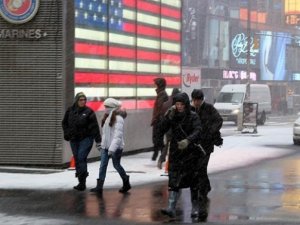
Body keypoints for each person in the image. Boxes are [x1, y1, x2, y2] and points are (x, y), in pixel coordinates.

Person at [159, 92, 202, 218]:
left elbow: (198, 130)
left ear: (186, 104)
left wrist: (188, 140)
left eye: (181, 104)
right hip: (176, 152)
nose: (179, 107)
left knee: (193, 181)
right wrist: (167, 116)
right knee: (173, 179)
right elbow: (161, 129)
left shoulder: (193, 116)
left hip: (190, 153)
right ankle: (171, 207)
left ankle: (195, 208)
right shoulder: (173, 116)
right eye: (177, 104)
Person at [190, 89, 223, 220]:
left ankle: (203, 191)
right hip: (195, 144)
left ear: (202, 99)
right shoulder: (190, 110)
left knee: (201, 167)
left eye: (198, 100)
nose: (196, 102)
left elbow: (219, 120)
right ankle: (206, 186)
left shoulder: (209, 108)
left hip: (206, 144)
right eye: (194, 100)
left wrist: (210, 132)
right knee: (197, 168)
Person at [90, 98, 131, 195]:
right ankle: (99, 186)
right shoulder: (107, 117)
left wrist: (112, 149)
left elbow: (118, 136)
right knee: (102, 166)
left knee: (116, 165)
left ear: (112, 107)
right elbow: (106, 134)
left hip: (115, 148)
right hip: (106, 147)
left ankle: (126, 182)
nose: (105, 109)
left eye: (107, 107)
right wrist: (102, 145)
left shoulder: (119, 118)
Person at [62, 92, 101, 191]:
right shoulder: (70, 111)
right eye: (81, 100)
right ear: (76, 100)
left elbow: (94, 127)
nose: (83, 101)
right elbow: (64, 123)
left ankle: (83, 180)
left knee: (81, 157)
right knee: (77, 159)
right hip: (74, 139)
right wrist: (66, 133)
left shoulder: (89, 112)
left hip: (86, 138)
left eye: (84, 100)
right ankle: (81, 181)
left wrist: (98, 141)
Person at [157, 88, 181, 169]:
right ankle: (174, 162)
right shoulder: (177, 104)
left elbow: (162, 115)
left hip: (167, 128)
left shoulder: (165, 103)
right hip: (175, 128)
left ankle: (161, 159)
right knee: (177, 145)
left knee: (167, 144)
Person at [151, 77, 169, 161]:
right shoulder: (161, 94)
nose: (155, 86)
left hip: (159, 120)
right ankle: (158, 154)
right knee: (157, 138)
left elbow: (160, 108)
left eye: (156, 85)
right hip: (158, 119)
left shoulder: (162, 95)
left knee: (158, 138)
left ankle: (160, 155)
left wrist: (155, 118)